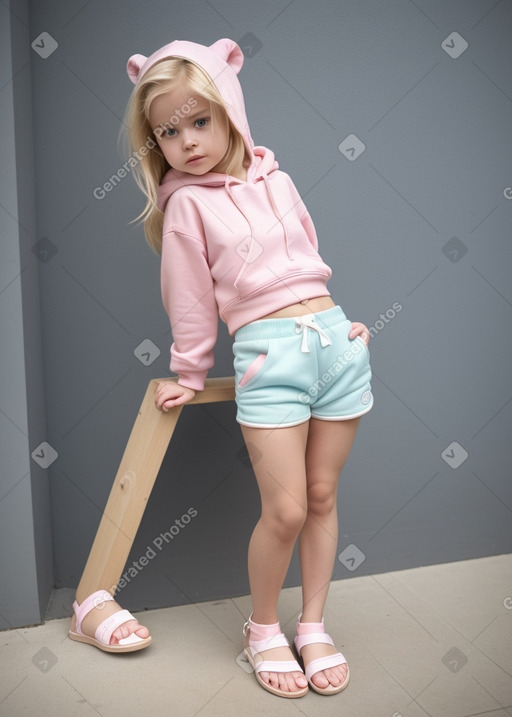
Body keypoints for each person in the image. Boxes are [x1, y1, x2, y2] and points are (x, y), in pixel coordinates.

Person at [72, 38, 373, 697]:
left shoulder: (281, 180)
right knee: (287, 507)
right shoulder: (186, 206)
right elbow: (190, 296)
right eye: (168, 132)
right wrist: (189, 368)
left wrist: (340, 327)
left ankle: (313, 623)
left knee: (322, 496)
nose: (187, 141)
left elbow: (307, 263)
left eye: (199, 121)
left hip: (336, 344)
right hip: (270, 355)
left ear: (230, 110)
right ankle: (263, 628)